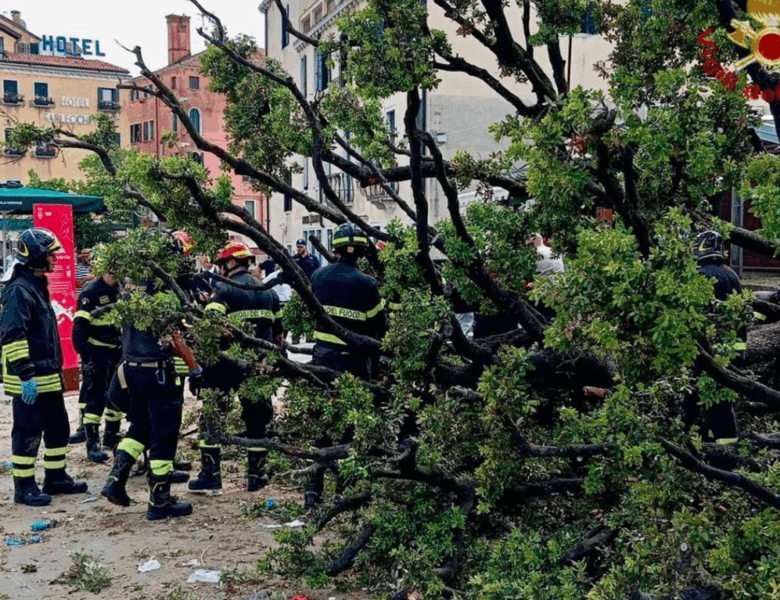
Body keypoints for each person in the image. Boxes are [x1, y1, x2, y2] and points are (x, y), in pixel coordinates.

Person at [101, 232, 202, 520]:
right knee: (164, 436)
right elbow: (175, 335)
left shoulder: (132, 282)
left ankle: (115, 480)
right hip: (158, 372)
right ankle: (160, 501)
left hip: (131, 368)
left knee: (140, 428)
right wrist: (195, 368)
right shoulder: (165, 289)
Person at [1, 228, 88, 506]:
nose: (55, 259)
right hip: (29, 377)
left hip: (47, 375)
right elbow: (12, 336)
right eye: (50, 254)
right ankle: (24, 486)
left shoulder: (36, 285)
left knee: (58, 428)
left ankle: (56, 478)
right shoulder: (18, 290)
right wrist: (26, 375)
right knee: (27, 432)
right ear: (37, 256)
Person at [189, 240, 283, 492]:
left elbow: (209, 328)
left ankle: (210, 474)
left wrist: (199, 367)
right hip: (258, 367)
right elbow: (278, 337)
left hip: (224, 367)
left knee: (213, 416)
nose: (220, 269)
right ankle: (256, 475)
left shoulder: (223, 289)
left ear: (230, 263)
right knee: (257, 421)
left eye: (222, 264)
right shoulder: (269, 292)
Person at [306, 222, 387, 508]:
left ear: (336, 248)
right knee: (351, 426)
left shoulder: (318, 276)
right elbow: (379, 328)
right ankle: (345, 490)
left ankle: (312, 491)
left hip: (322, 359)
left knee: (322, 422)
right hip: (354, 362)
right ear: (362, 252)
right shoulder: (368, 284)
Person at [686, 230, 742, 447]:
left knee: (708, 402)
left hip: (710, 352)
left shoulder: (702, 275)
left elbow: (696, 317)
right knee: (719, 400)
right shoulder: (732, 275)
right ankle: (712, 444)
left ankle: (725, 454)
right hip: (734, 351)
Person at [71, 265, 123, 463]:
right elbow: (79, 328)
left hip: (116, 350)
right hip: (98, 351)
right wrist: (87, 358)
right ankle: (92, 442)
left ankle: (111, 434)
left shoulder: (120, 290)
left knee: (117, 393)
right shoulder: (91, 292)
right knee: (96, 395)